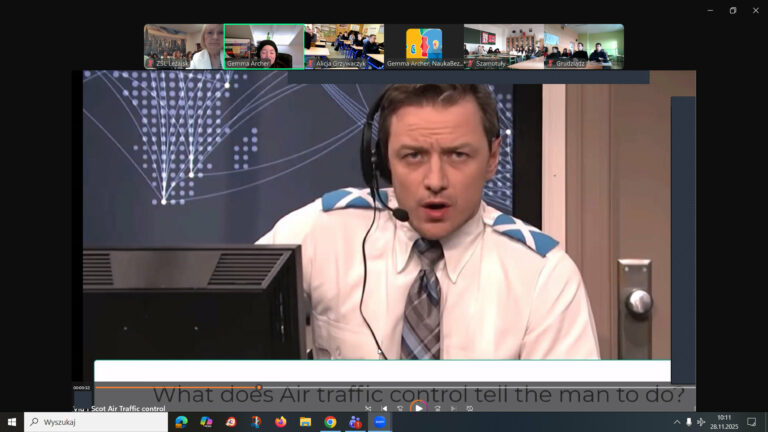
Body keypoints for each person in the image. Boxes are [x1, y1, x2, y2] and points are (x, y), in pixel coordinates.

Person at [257, 84, 600, 360]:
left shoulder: (544, 277)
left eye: (458, 155)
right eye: (413, 156)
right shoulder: (322, 233)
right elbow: (234, 326)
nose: (435, 180)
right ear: (383, 161)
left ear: (492, 157)